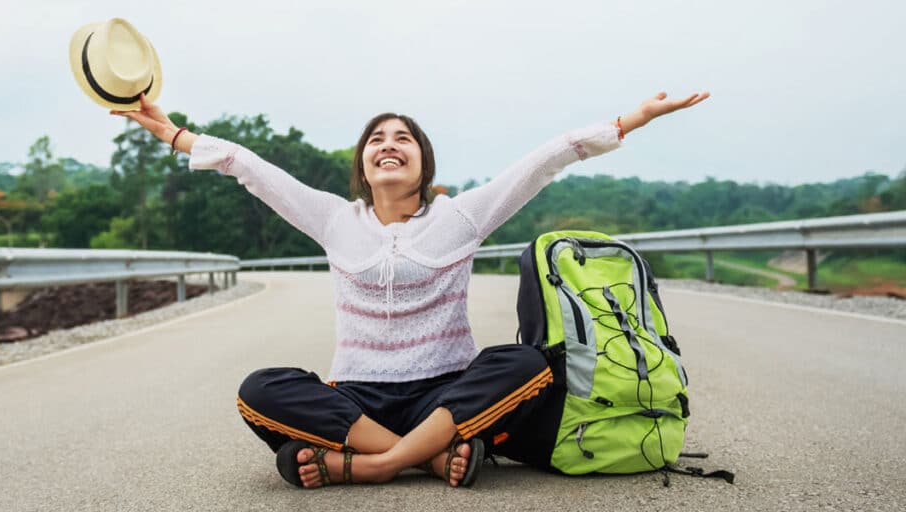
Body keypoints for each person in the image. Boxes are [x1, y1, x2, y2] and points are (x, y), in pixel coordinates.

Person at [113, 90, 710, 488]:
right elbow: (248, 167)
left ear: (424, 161)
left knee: (525, 362)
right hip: (358, 399)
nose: (389, 144)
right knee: (260, 389)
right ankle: (429, 455)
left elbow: (545, 161)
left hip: (443, 390)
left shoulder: (461, 217)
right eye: (376, 139)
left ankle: (372, 467)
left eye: (403, 138)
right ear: (364, 165)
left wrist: (630, 121)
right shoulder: (332, 219)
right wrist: (173, 134)